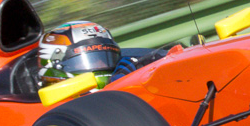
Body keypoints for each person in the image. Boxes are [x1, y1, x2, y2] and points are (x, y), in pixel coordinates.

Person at [37, 20, 172, 87]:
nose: (101, 65)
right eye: (93, 60)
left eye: (105, 58)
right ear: (55, 64)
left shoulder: (125, 72)